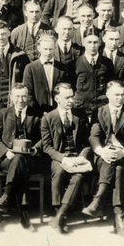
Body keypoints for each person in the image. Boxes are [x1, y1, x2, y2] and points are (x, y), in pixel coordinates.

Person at [82, 81, 124, 238]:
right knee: (115, 165)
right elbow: (94, 136)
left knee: (119, 166)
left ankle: (98, 200)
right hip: (103, 157)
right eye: (116, 95)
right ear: (108, 95)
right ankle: (119, 218)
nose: (120, 98)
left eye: (122, 95)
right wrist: (102, 151)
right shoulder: (99, 112)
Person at [40, 82, 93, 233]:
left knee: (78, 176)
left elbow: (87, 141)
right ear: (57, 99)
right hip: (59, 157)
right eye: (67, 98)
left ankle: (60, 215)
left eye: (72, 97)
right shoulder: (48, 118)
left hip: (77, 156)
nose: (71, 101)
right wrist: (63, 159)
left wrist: (82, 156)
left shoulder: (80, 115)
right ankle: (58, 210)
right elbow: (47, 147)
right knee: (58, 172)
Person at [0, 82, 41, 231]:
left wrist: (35, 149)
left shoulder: (36, 115)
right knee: (18, 162)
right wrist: (6, 151)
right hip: (8, 158)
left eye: (24, 96)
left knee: (20, 161)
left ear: (28, 97)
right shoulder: (3, 114)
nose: (20, 100)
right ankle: (24, 215)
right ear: (11, 97)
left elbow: (44, 138)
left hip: (30, 159)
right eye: (17, 96)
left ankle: (6, 197)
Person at [22, 33, 73, 113]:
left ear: (55, 48)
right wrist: (39, 112)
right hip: (37, 112)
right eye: (45, 49)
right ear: (39, 48)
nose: (48, 52)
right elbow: (28, 94)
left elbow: (66, 92)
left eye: (51, 49)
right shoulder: (30, 68)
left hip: (58, 112)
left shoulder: (62, 68)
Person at [71, 33, 114, 113]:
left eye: (95, 42)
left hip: (101, 108)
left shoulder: (107, 62)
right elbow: (72, 87)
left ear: (100, 43)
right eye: (89, 42)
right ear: (83, 43)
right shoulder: (75, 63)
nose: (92, 46)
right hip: (81, 108)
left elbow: (111, 84)